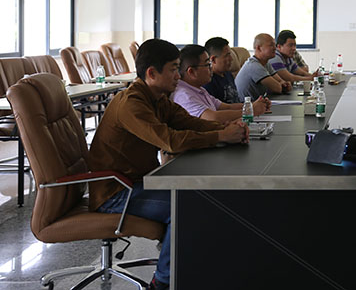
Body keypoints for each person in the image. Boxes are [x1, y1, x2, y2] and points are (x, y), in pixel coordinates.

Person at [88, 39, 249, 290]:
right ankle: (162, 282)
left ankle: (187, 264)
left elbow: (189, 122)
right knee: (187, 206)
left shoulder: (157, 98)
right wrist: (221, 135)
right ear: (152, 73)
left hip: (137, 182)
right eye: (174, 69)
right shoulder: (132, 103)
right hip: (116, 191)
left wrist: (226, 128)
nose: (178, 75)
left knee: (201, 197)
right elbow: (171, 141)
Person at [173, 44, 269, 121]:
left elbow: (226, 107)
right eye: (207, 65)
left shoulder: (198, 90)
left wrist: (253, 105)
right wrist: (250, 111)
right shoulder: (184, 95)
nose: (211, 68)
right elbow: (213, 117)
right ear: (191, 72)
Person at [235, 33, 292, 99]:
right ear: (259, 48)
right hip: (247, 104)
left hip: (259, 102)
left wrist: (285, 84)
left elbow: (281, 81)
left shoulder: (266, 63)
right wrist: (283, 86)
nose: (275, 48)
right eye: (271, 45)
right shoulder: (254, 66)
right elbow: (277, 88)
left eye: (275, 45)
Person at [203, 37, 240, 104]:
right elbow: (215, 108)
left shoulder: (228, 74)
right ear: (213, 59)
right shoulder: (208, 82)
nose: (231, 59)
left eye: (230, 54)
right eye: (227, 55)